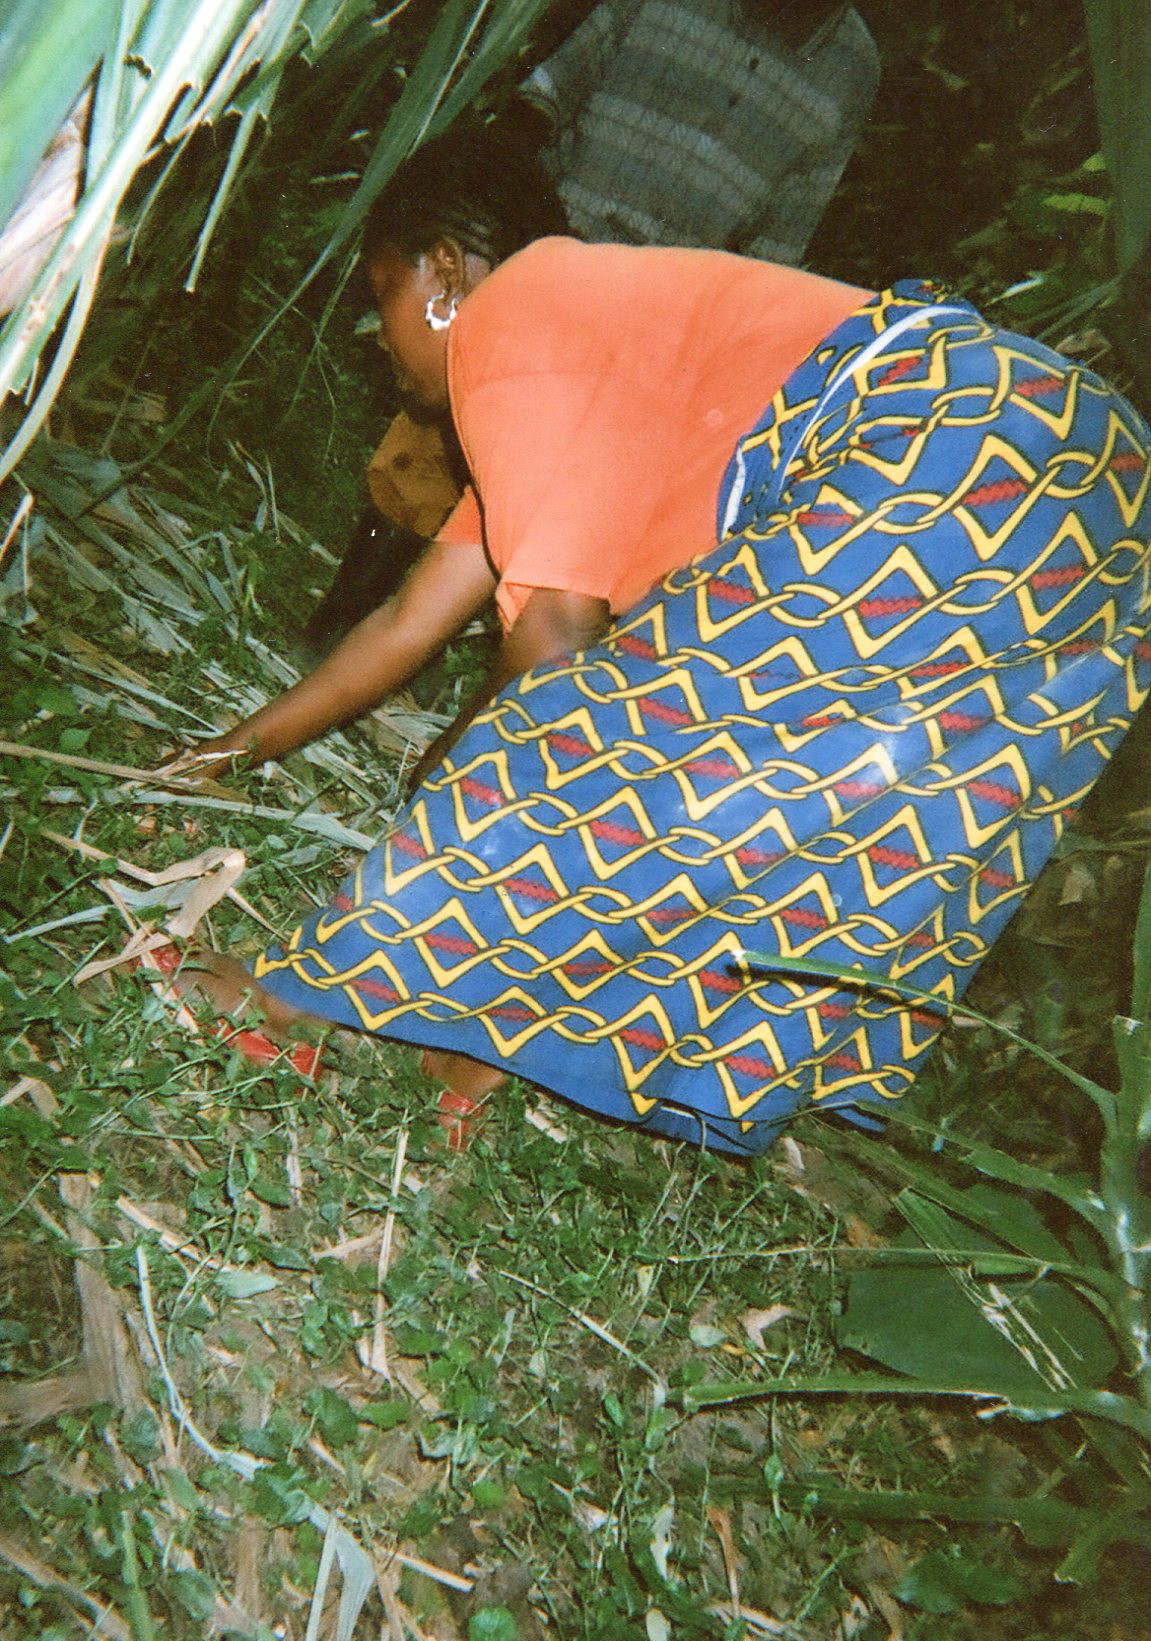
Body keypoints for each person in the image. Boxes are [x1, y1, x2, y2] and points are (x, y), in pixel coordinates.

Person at [170, 123, 1151, 1156]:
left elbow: (554, 652)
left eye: (383, 296)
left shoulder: (517, 315)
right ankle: (492, 1044)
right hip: (1093, 482)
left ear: (450, 276)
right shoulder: (575, 377)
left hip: (938, 433)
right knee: (836, 801)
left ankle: (293, 1006)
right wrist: (236, 749)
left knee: (636, 737)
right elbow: (410, 618)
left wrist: (450, 795)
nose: (376, 334)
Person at [307, 0, 880, 650]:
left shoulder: (851, 69)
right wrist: (494, 203)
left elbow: (788, 223)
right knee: (441, 431)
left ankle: (507, 634)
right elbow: (553, 87)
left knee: (565, 488)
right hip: (545, 250)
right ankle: (346, 611)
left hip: (660, 310)